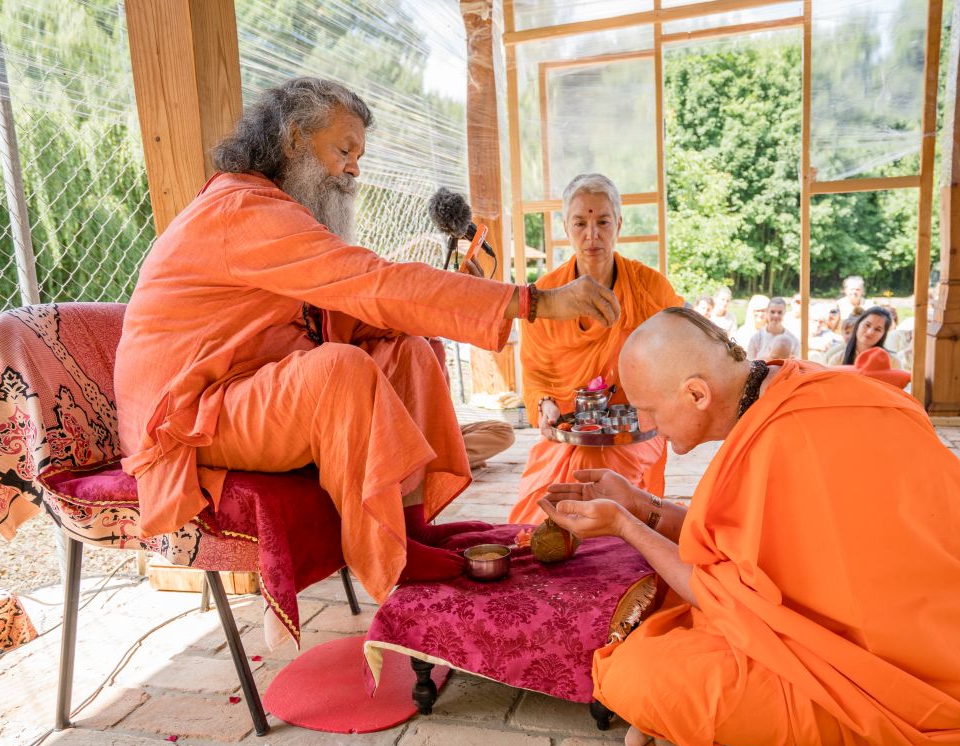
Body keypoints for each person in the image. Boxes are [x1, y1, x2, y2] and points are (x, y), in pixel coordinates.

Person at [115, 77, 621, 600]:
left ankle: (411, 530)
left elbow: (347, 312)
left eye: (358, 154)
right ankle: (386, 558)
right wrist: (532, 301)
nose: (354, 168)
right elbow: (371, 282)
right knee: (341, 370)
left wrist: (418, 316)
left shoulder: (274, 209)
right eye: (344, 149)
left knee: (408, 350)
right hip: (187, 418)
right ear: (293, 140)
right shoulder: (241, 210)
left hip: (239, 393)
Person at [538, 307, 960, 746]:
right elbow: (750, 547)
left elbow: (715, 589)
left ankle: (707, 723)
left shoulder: (785, 438)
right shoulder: (800, 387)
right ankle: (705, 723)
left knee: (640, 677)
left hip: (898, 687)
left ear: (696, 394)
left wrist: (627, 527)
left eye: (650, 410)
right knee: (669, 643)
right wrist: (638, 503)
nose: (649, 427)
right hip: (944, 641)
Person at [508, 173, 681, 525]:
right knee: (541, 495)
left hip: (633, 429)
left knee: (590, 474)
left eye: (602, 221)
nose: (592, 235)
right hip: (569, 429)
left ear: (618, 222)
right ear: (565, 227)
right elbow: (536, 371)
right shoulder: (545, 293)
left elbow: (682, 350)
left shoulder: (650, 288)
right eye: (580, 223)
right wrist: (545, 405)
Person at [826, 307, 903, 369]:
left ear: (883, 334)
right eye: (867, 325)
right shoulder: (837, 359)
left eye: (878, 329)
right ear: (858, 324)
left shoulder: (893, 362)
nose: (870, 332)